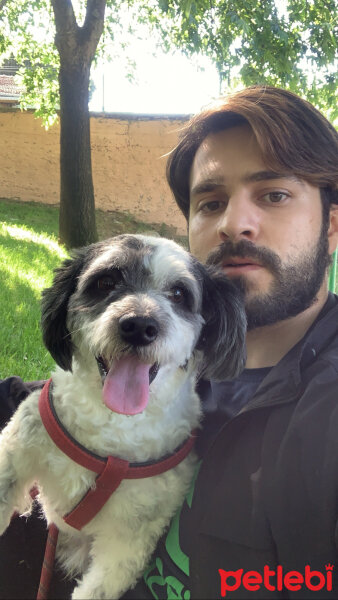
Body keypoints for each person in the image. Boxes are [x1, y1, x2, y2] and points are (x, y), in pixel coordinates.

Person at [1, 85, 337, 599]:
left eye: (273, 194)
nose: (233, 224)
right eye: (210, 202)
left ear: (332, 227)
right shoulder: (176, 357)